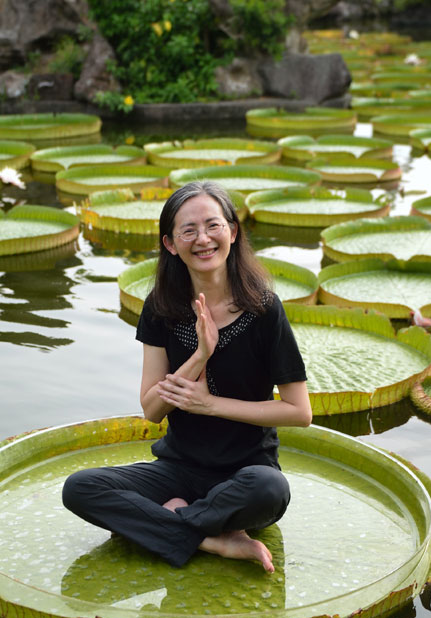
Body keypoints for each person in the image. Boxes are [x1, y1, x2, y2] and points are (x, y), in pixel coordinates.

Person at [62, 181, 312, 573]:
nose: (203, 239)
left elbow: (299, 411)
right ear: (170, 244)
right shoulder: (161, 307)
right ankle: (212, 538)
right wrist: (200, 355)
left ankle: (170, 525)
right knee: (80, 488)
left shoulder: (264, 309)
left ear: (232, 231)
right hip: (178, 470)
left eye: (213, 226)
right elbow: (151, 410)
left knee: (271, 490)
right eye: (188, 231)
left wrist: (210, 405)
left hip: (245, 474)